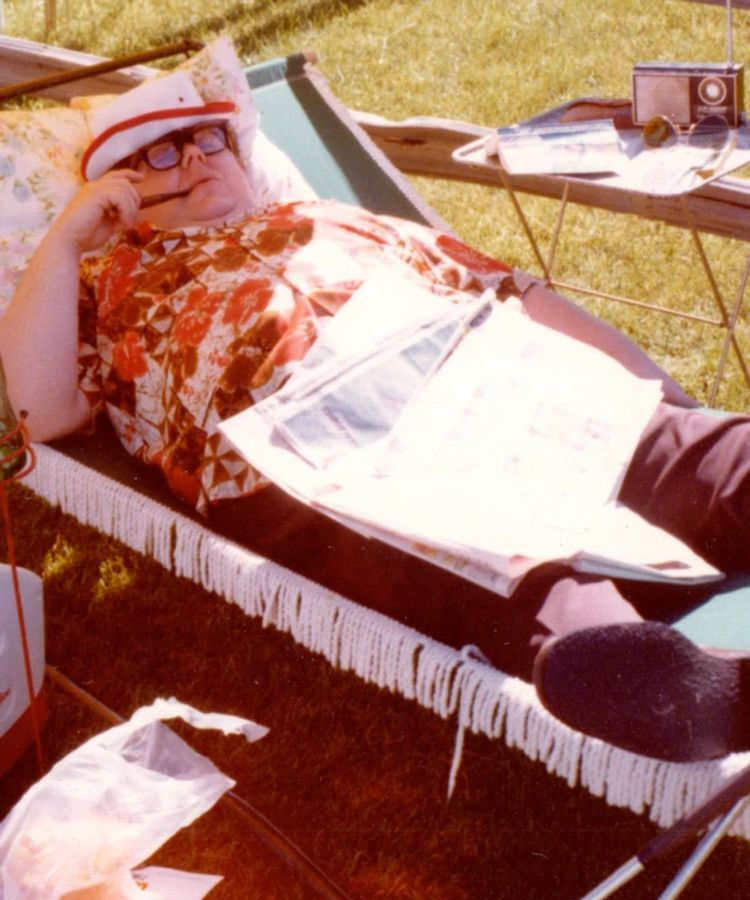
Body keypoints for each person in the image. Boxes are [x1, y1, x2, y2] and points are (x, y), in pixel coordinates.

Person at [1, 72, 749, 763]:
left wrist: (661, 396)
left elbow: (513, 292)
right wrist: (69, 236)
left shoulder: (323, 217)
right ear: (120, 193)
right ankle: (690, 693)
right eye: (161, 153)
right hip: (330, 456)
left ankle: (674, 639)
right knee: (494, 560)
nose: (199, 158)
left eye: (211, 139)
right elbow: (38, 410)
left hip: (494, 376)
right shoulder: (112, 286)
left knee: (688, 454)